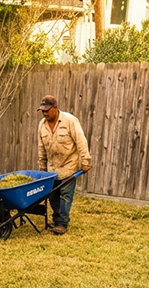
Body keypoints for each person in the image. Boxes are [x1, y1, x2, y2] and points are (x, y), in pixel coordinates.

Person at [37, 95, 92, 235]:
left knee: (65, 195)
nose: (44, 113)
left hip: (69, 165)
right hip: (52, 168)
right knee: (52, 195)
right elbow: (41, 148)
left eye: (47, 110)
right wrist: (42, 168)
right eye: (42, 111)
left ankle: (62, 223)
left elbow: (81, 141)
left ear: (55, 108)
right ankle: (56, 220)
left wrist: (86, 161)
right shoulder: (42, 125)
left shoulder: (70, 121)